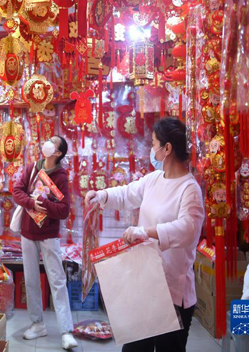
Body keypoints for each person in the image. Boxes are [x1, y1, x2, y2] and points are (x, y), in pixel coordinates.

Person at [85, 117, 205, 352]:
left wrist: (146, 232)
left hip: (172, 291)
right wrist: (102, 196)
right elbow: (128, 194)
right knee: (134, 348)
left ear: (167, 149)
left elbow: (188, 229)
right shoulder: (154, 179)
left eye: (153, 143)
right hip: (145, 283)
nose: (151, 149)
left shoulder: (189, 188)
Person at [13, 135, 78, 350]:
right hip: (27, 234)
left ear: (58, 153)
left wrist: (43, 203)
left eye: (53, 142)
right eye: (49, 139)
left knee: (57, 281)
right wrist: (31, 203)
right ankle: (37, 324)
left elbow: (64, 210)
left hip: (49, 236)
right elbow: (17, 191)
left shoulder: (60, 176)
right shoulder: (33, 168)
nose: (48, 143)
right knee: (31, 280)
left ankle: (66, 331)